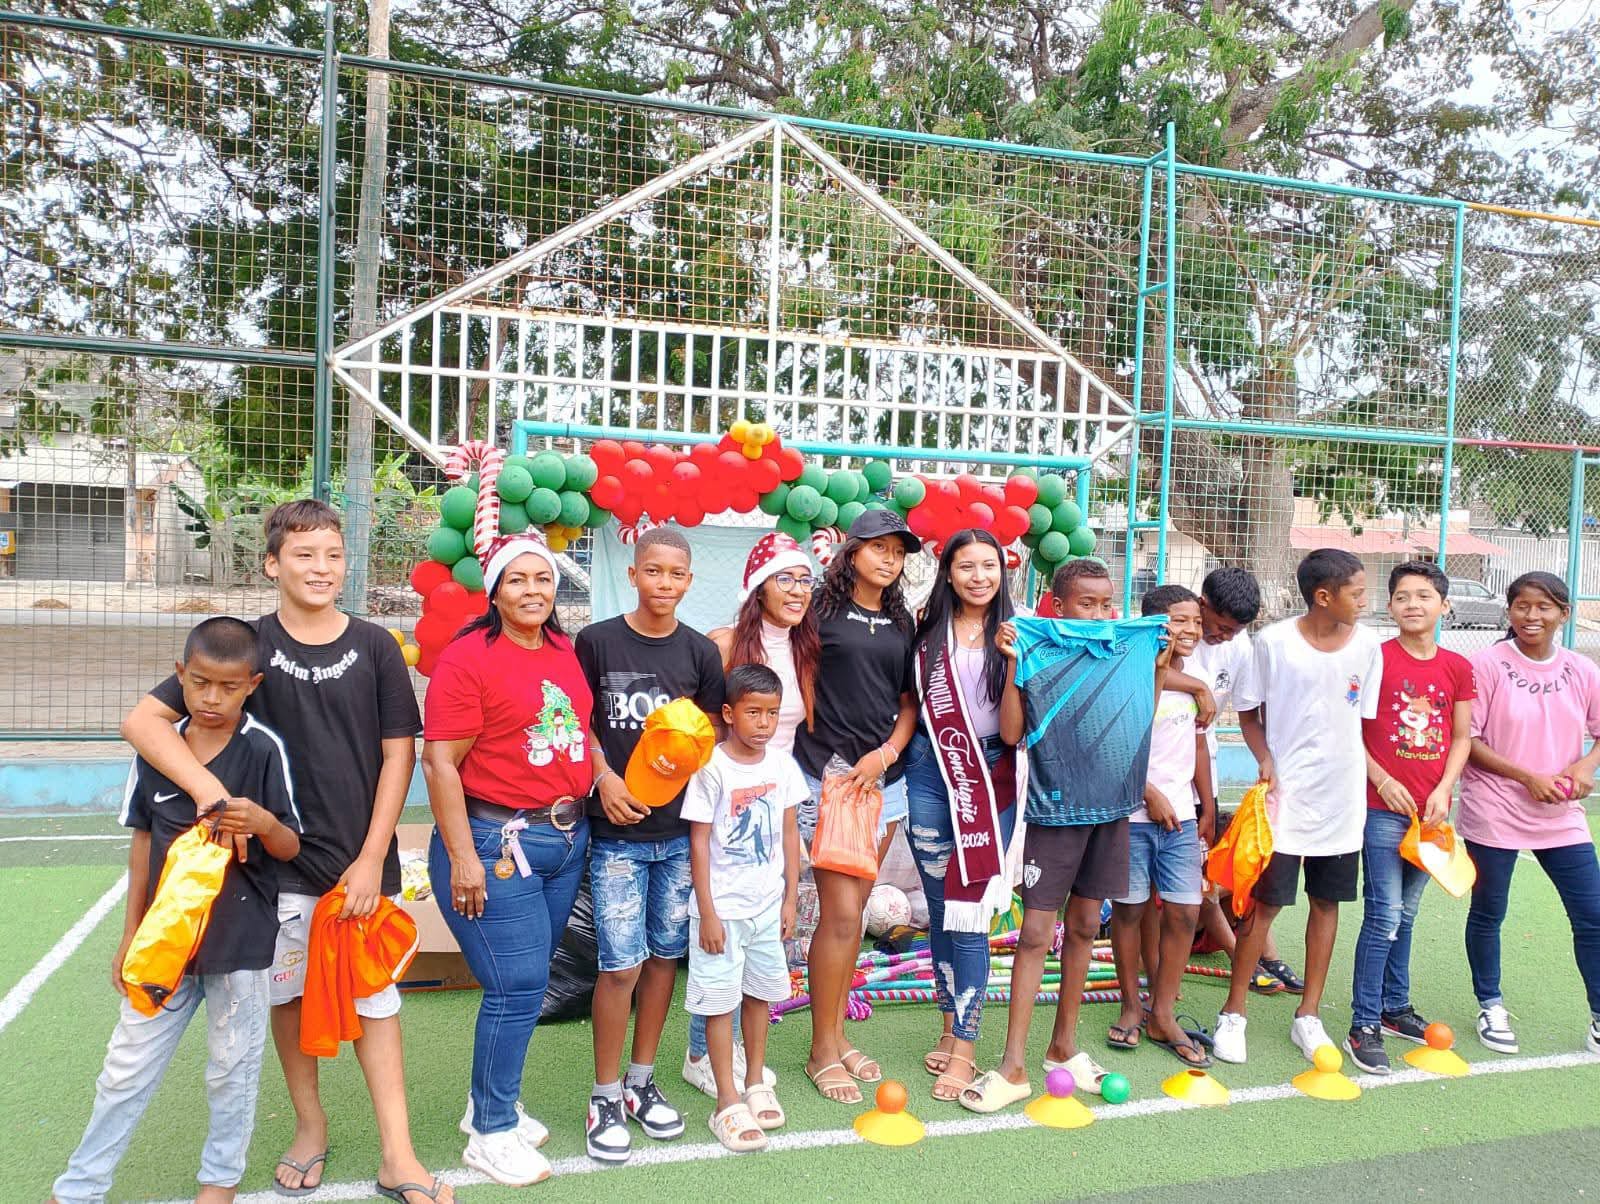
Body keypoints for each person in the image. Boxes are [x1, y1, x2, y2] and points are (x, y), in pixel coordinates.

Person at [120, 500, 450, 1203]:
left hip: (359, 867)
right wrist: (214, 794)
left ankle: (398, 1154)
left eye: (333, 555)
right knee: (289, 997)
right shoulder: (248, 648)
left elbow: (400, 756)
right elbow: (142, 722)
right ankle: (309, 1125)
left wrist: (372, 857)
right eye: (303, 555)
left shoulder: (377, 647)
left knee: (375, 1003)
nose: (320, 568)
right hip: (274, 870)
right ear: (273, 564)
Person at [53, 618, 301, 1204]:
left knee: (231, 1072)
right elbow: (143, 843)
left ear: (252, 686)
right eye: (200, 683)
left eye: (229, 687)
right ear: (179, 676)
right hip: (164, 946)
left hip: (239, 946)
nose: (212, 698)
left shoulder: (263, 750)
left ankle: (220, 1182)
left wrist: (262, 822)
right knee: (124, 1069)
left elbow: (290, 845)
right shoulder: (157, 750)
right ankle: (79, 1188)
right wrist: (130, 934)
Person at [421, 534, 595, 1186]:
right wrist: (463, 857)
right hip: (497, 842)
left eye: (542, 579)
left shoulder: (562, 649)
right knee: (515, 986)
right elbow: (439, 762)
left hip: (564, 840)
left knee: (528, 979)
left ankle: (488, 1104)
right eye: (516, 580)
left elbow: (578, 731)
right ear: (494, 592)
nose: (532, 591)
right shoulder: (468, 658)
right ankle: (491, 1132)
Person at [961, 558, 1166, 1112]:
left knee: (1084, 928)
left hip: (1113, 812)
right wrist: (1014, 665)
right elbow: (1011, 734)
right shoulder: (1038, 648)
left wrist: (1159, 665)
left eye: (1107, 604)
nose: (1099, 615)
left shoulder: (1125, 650)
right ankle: (1012, 1064)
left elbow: (1142, 715)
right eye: (1086, 604)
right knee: (1034, 934)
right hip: (1054, 814)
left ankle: (1063, 1047)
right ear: (1057, 605)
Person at [576, 525, 726, 1163]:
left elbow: (709, 736)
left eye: (676, 574)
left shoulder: (700, 653)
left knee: (664, 958)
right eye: (654, 571)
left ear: (689, 581)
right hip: (617, 836)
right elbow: (577, 721)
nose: (665, 583)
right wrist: (603, 777)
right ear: (633, 573)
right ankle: (604, 1095)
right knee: (621, 966)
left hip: (677, 838)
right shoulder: (596, 641)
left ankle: (641, 1082)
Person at [1212, 548, 1381, 1066]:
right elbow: (1248, 714)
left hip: (1342, 804)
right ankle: (1233, 1014)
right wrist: (1265, 760)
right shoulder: (1273, 643)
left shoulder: (1369, 645)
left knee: (1327, 904)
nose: (1365, 601)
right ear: (1323, 596)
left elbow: (1361, 723)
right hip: (1284, 802)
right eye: (1357, 592)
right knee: (1264, 907)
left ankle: (1308, 1015)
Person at [684, 532, 818, 1095]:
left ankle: (738, 1049)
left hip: (780, 795)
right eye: (784, 578)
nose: (797, 590)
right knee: (720, 936)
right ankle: (701, 1053)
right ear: (758, 587)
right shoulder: (724, 642)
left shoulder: (808, 651)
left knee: (762, 937)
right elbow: (701, 725)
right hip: (727, 799)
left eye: (805, 580)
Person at [796, 509, 920, 1103]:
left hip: (883, 784)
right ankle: (821, 1050)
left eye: (898, 552)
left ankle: (838, 1035)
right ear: (851, 550)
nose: (889, 559)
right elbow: (792, 676)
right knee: (842, 917)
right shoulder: (817, 610)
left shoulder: (902, 620)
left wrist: (886, 755)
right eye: (879, 547)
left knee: (855, 912)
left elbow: (908, 702)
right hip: (830, 780)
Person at [1459, 571, 1600, 1057]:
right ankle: (1490, 1004)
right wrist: (1527, 777)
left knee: (1593, 914)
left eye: (1543, 607)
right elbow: (1469, 740)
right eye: (1522, 606)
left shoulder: (1582, 669)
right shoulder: (1486, 664)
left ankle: (1599, 1015)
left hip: (1561, 814)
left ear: (1564, 613)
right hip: (1495, 808)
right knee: (1489, 911)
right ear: (1510, 611)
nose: (1531, 615)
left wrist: (1584, 766)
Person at [903, 529, 1020, 1101]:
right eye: (967, 566)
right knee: (939, 909)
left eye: (989, 566)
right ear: (948, 571)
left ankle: (967, 1047)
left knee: (969, 912)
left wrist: (1014, 664)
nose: (979, 576)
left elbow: (1017, 731)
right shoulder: (924, 631)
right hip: (930, 767)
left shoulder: (1017, 633)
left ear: (1002, 572)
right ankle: (949, 1025)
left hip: (990, 775)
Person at [1344, 560, 1474, 1074]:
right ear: (1390, 605)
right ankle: (1363, 1023)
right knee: (1384, 915)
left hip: (1432, 817)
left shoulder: (1457, 667)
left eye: (1424, 596)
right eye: (1402, 596)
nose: (1412, 604)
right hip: (1381, 810)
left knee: (1408, 915)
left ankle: (1394, 1007)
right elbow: (1350, 728)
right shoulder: (1374, 659)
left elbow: (1461, 737)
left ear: (1444, 605)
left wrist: (1444, 790)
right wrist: (1381, 779)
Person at [683, 664, 804, 1152]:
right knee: (719, 1002)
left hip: (767, 907)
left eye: (772, 714)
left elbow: (790, 833)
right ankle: (726, 1101)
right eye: (753, 713)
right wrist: (708, 913)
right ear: (730, 714)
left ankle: (754, 1082)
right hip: (723, 912)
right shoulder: (711, 768)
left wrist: (791, 898)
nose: (763, 724)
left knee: (760, 994)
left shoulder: (782, 766)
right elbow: (699, 842)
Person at [1166, 567, 1295, 994]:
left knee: (1220, 868)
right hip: (1162, 770)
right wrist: (1197, 688)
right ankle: (1244, 958)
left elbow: (1246, 712)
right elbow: (1151, 675)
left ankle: (1265, 955)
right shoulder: (1174, 631)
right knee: (1193, 877)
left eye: (1234, 630)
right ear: (1202, 604)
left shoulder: (1239, 647)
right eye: (1220, 627)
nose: (1224, 636)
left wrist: (1265, 759)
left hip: (1204, 771)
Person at [1108, 585, 1215, 1069]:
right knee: (1129, 910)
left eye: (1196, 621)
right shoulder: (1130, 669)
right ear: (1153, 624)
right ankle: (1132, 1005)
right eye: (1179, 620)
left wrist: (1205, 805)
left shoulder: (1198, 678)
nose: (1190, 629)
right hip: (1132, 812)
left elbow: (1198, 745)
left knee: (1185, 912)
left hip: (1182, 816)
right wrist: (1147, 792)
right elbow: (1118, 739)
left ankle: (1163, 1012)